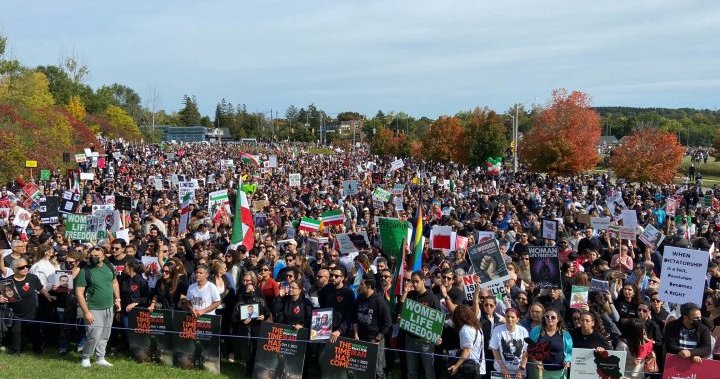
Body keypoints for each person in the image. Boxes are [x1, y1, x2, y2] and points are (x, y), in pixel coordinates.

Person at [75, 246, 121, 368]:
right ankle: (86, 357)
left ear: (103, 256)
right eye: (92, 255)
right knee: (93, 334)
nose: (94, 257)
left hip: (109, 307)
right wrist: (86, 312)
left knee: (105, 334)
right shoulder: (85, 271)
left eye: (97, 255)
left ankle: (100, 357)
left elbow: (114, 283)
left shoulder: (110, 267)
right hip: (93, 308)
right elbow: (79, 293)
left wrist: (118, 299)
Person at [0, 258, 55, 355]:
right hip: (15, 312)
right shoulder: (7, 281)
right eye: (22, 267)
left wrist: (48, 296)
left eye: (27, 266)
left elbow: (41, 288)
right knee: (16, 332)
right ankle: (16, 351)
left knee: (34, 331)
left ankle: (38, 349)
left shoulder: (32, 278)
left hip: (31, 311)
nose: (26, 268)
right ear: (14, 269)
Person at [402, 270, 441, 379]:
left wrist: (436, 336)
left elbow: (438, 321)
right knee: (411, 371)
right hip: (410, 338)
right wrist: (405, 293)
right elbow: (399, 310)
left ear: (423, 281)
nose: (414, 284)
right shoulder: (410, 295)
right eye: (412, 281)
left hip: (426, 341)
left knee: (429, 371)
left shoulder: (432, 298)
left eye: (416, 281)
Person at [351, 273, 392, 378]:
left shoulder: (379, 301)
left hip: (374, 340)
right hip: (360, 339)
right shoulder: (360, 297)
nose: (359, 286)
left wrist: (377, 339)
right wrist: (356, 334)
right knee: (361, 368)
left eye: (362, 284)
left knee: (377, 370)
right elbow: (354, 317)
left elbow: (387, 322)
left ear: (369, 286)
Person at [526, 308, 573, 379]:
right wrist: (536, 360)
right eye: (547, 316)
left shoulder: (565, 335)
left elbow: (569, 352)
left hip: (559, 371)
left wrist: (567, 360)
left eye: (553, 317)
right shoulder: (535, 331)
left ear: (558, 319)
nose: (549, 319)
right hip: (540, 370)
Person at [489, 308, 529, 379]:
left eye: (512, 317)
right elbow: (494, 350)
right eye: (507, 316)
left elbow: (526, 351)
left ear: (517, 319)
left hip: (518, 372)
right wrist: (503, 368)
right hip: (501, 370)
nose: (509, 319)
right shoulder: (497, 330)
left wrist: (521, 368)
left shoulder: (524, 331)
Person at [447, 304, 485, 378]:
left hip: (469, 368)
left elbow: (467, 350)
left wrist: (456, 366)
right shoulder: (477, 327)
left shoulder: (465, 329)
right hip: (478, 367)